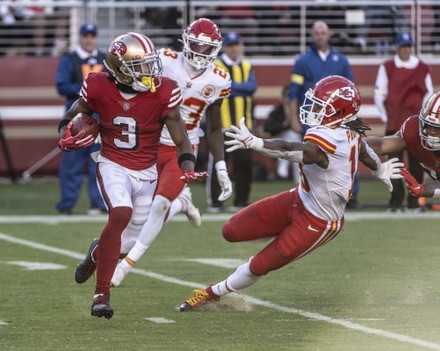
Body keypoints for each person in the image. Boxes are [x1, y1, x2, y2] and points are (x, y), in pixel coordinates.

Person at [178, 75, 403, 311]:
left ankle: (212, 292)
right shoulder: (349, 129)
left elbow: (289, 149)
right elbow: (365, 150)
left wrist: (257, 143)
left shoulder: (330, 139)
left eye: (320, 105)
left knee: (259, 265)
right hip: (298, 199)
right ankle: (276, 232)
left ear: (339, 111)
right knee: (230, 230)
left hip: (319, 221)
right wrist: (379, 169)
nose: (313, 109)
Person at [60, 32, 206, 319]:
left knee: (126, 244)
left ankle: (95, 254)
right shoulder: (98, 86)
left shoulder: (164, 91)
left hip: (147, 171)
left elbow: (182, 140)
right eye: (141, 66)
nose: (150, 72)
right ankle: (101, 295)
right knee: (121, 213)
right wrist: (64, 134)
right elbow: (75, 114)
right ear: (120, 68)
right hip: (113, 163)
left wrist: (187, 168)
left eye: (151, 64)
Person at [109, 18, 233, 287]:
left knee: (159, 204)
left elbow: (214, 127)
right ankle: (182, 203)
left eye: (207, 48)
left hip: (183, 148)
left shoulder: (219, 79)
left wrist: (220, 167)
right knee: (136, 207)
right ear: (186, 42)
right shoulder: (164, 60)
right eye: (197, 46)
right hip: (150, 142)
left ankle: (126, 266)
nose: (201, 53)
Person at [288, 20, 361, 209]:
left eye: (323, 32)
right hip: (313, 116)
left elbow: (350, 90)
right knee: (311, 155)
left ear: (329, 34)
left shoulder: (341, 60)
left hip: (338, 117)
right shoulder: (302, 61)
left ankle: (350, 194)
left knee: (345, 152)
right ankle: (312, 195)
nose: (320, 35)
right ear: (312, 35)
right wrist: (293, 117)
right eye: (317, 32)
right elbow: (294, 91)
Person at [374, 31, 433, 213]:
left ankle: (415, 203)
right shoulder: (388, 67)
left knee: (418, 166)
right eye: (402, 46)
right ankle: (396, 202)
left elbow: (428, 95)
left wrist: (424, 120)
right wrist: (387, 117)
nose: (406, 50)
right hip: (394, 124)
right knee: (394, 166)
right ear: (397, 47)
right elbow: (379, 94)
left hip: (417, 127)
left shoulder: (422, 68)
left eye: (408, 46)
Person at [55, 23, 106, 215]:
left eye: (93, 35)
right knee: (71, 161)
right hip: (75, 117)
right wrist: (88, 89)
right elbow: (61, 86)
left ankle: (99, 203)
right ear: (81, 37)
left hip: (100, 119)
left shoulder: (104, 58)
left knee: (99, 161)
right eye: (86, 35)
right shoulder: (70, 60)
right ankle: (67, 203)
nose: (89, 39)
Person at [207, 31, 257, 212]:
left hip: (244, 125)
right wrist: (236, 88)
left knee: (244, 164)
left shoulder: (247, 65)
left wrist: (230, 87)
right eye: (231, 45)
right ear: (225, 47)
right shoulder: (216, 65)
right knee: (219, 163)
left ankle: (241, 201)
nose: (235, 48)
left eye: (237, 45)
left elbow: (252, 88)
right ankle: (215, 201)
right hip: (222, 124)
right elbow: (218, 88)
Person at [367, 90, 440, 206]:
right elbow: (382, 145)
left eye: (437, 129)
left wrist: (425, 190)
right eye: (429, 126)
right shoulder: (414, 132)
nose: (430, 133)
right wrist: (354, 144)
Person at [264, 85, 301, 181]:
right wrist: (283, 125)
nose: (289, 99)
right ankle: (295, 175)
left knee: (294, 138)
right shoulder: (277, 111)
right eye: (287, 96)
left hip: (296, 142)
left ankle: (284, 166)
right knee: (292, 137)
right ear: (283, 97)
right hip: (279, 139)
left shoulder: (299, 110)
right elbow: (268, 128)